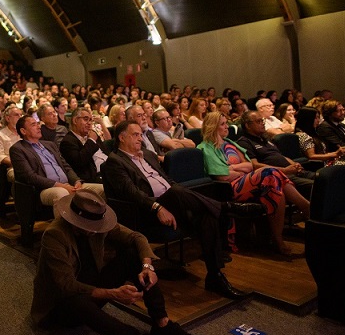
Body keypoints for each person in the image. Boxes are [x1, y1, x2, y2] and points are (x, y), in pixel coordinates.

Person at [102, 120, 260, 298]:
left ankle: (215, 277)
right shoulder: (114, 162)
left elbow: (168, 181)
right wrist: (157, 207)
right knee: (177, 192)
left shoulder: (148, 155)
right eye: (135, 135)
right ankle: (227, 207)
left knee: (206, 215)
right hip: (145, 212)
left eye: (141, 134)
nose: (140, 138)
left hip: (171, 204)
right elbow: (133, 194)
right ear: (122, 138)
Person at [31, 189, 204, 335]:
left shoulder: (98, 223)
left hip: (89, 288)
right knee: (78, 300)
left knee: (132, 255)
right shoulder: (55, 235)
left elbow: (137, 237)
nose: (95, 230)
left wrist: (147, 267)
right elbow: (66, 286)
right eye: (89, 226)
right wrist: (113, 293)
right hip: (59, 306)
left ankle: (162, 324)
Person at [198, 112, 311, 256]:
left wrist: (232, 167)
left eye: (226, 123)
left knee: (275, 186)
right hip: (229, 188)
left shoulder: (230, 143)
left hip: (248, 181)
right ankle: (304, 207)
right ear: (213, 126)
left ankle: (278, 239)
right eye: (223, 124)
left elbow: (250, 165)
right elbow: (222, 176)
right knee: (270, 172)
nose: (227, 127)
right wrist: (240, 170)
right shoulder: (206, 148)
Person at [10, 115, 105, 215]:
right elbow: (30, 176)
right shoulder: (18, 149)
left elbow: (66, 166)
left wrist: (76, 181)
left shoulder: (50, 145)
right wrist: (60, 185)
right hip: (45, 188)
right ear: (23, 131)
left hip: (69, 184)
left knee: (102, 190)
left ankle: (99, 223)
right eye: (33, 125)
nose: (38, 127)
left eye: (38, 124)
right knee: (62, 193)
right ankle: (64, 225)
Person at [237, 110, 315, 199]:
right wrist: (284, 170)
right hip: (280, 177)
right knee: (317, 185)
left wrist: (295, 165)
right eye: (258, 121)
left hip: (293, 172)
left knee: (324, 177)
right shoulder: (244, 142)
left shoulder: (265, 139)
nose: (263, 123)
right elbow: (255, 165)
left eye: (262, 120)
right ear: (247, 125)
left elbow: (279, 156)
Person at [59, 107, 108, 183]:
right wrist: (91, 141)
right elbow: (79, 162)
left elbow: (106, 153)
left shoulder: (93, 135)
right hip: (94, 177)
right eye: (86, 119)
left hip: (109, 170)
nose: (89, 123)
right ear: (75, 120)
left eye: (90, 120)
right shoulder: (68, 141)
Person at [0, 104, 22, 181]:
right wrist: (17, 163)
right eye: (16, 115)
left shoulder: (25, 133)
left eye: (21, 115)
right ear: (8, 118)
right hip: (13, 168)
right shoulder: (0, 136)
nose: (20, 117)